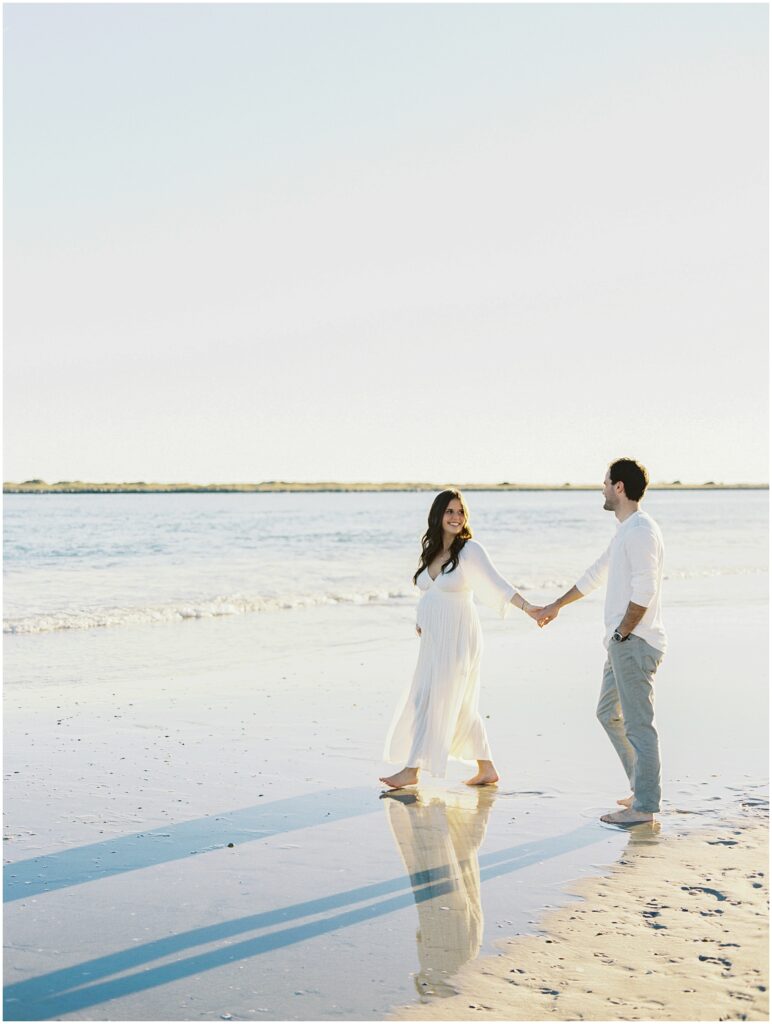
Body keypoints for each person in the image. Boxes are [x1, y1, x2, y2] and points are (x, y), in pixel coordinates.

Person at [535, 458, 667, 825]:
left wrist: (622, 633)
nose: (603, 488)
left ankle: (645, 807)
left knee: (639, 725)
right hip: (622, 643)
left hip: (634, 642)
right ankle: (640, 788)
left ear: (619, 487)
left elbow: (645, 589)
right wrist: (557, 605)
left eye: (606, 482)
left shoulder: (641, 530)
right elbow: (595, 574)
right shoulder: (626, 531)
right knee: (607, 713)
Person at [380, 489, 539, 790]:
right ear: (438, 515)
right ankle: (487, 768)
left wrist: (528, 607)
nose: (456, 517)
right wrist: (421, 620)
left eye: (460, 511)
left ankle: (412, 770)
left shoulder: (469, 550)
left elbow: (497, 583)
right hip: (433, 640)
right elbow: (429, 593)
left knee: (432, 697)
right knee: (454, 702)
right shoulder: (431, 551)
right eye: (450, 511)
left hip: (459, 638)